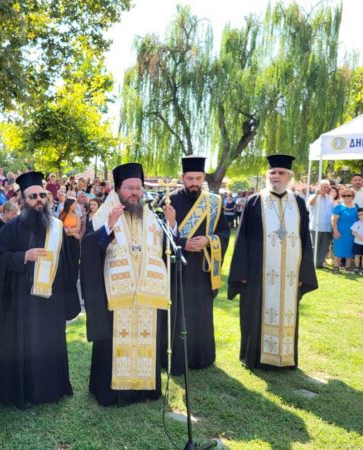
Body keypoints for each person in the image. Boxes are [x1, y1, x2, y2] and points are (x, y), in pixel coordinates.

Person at [81, 163, 170, 406]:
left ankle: (144, 390)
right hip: (115, 296)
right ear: (118, 189)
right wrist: (109, 226)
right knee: (112, 344)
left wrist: (171, 225)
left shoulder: (150, 217)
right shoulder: (103, 214)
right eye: (130, 188)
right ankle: (112, 393)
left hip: (146, 293)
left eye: (138, 188)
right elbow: (89, 250)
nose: (135, 193)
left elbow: (165, 250)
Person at [0, 171, 80, 409]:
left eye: (42, 195)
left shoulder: (56, 227)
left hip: (51, 301)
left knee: (50, 342)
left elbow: (67, 264)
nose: (39, 200)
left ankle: (52, 389)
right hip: (21, 302)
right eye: (32, 196)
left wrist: (66, 298)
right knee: (25, 345)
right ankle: (24, 392)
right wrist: (24, 256)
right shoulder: (11, 228)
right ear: (22, 200)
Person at [228, 154, 317, 370]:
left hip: (289, 275)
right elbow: (242, 239)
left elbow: (305, 240)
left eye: (281, 173)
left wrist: (304, 274)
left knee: (287, 312)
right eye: (273, 172)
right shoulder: (255, 201)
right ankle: (255, 358)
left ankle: (285, 358)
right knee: (255, 313)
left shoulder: (298, 202)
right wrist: (241, 272)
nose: (276, 176)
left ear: (289, 176)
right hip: (258, 273)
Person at [160, 156, 230, 375]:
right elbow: (159, 236)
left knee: (200, 313)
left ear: (203, 178)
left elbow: (224, 232)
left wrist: (208, 240)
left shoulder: (213, 202)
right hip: (177, 270)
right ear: (182, 177)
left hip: (202, 270)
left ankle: (201, 357)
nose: (194, 183)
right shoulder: (168, 200)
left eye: (198, 178)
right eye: (190, 178)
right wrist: (183, 242)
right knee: (177, 311)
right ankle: (176, 357)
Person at [331, 187, 359, 273]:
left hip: (352, 233)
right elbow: (334, 220)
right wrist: (335, 231)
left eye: (348, 195)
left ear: (353, 196)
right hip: (340, 231)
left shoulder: (357, 206)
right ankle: (336, 266)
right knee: (338, 248)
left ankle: (348, 267)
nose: (346, 197)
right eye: (344, 195)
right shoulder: (339, 207)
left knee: (350, 249)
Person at [308, 180, 334, 268]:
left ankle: (319, 263)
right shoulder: (313, 196)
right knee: (314, 246)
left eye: (327, 187)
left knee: (324, 246)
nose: (326, 189)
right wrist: (316, 195)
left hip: (327, 226)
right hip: (316, 226)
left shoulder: (329, 198)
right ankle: (313, 262)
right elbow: (310, 204)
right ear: (319, 187)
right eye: (324, 187)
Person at [59, 197, 81, 272]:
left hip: (74, 241)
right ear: (70, 204)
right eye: (75, 204)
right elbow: (60, 228)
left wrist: (69, 231)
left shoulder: (77, 215)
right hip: (64, 240)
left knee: (74, 261)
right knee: (66, 261)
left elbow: (78, 228)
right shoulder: (62, 213)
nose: (76, 205)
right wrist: (73, 233)